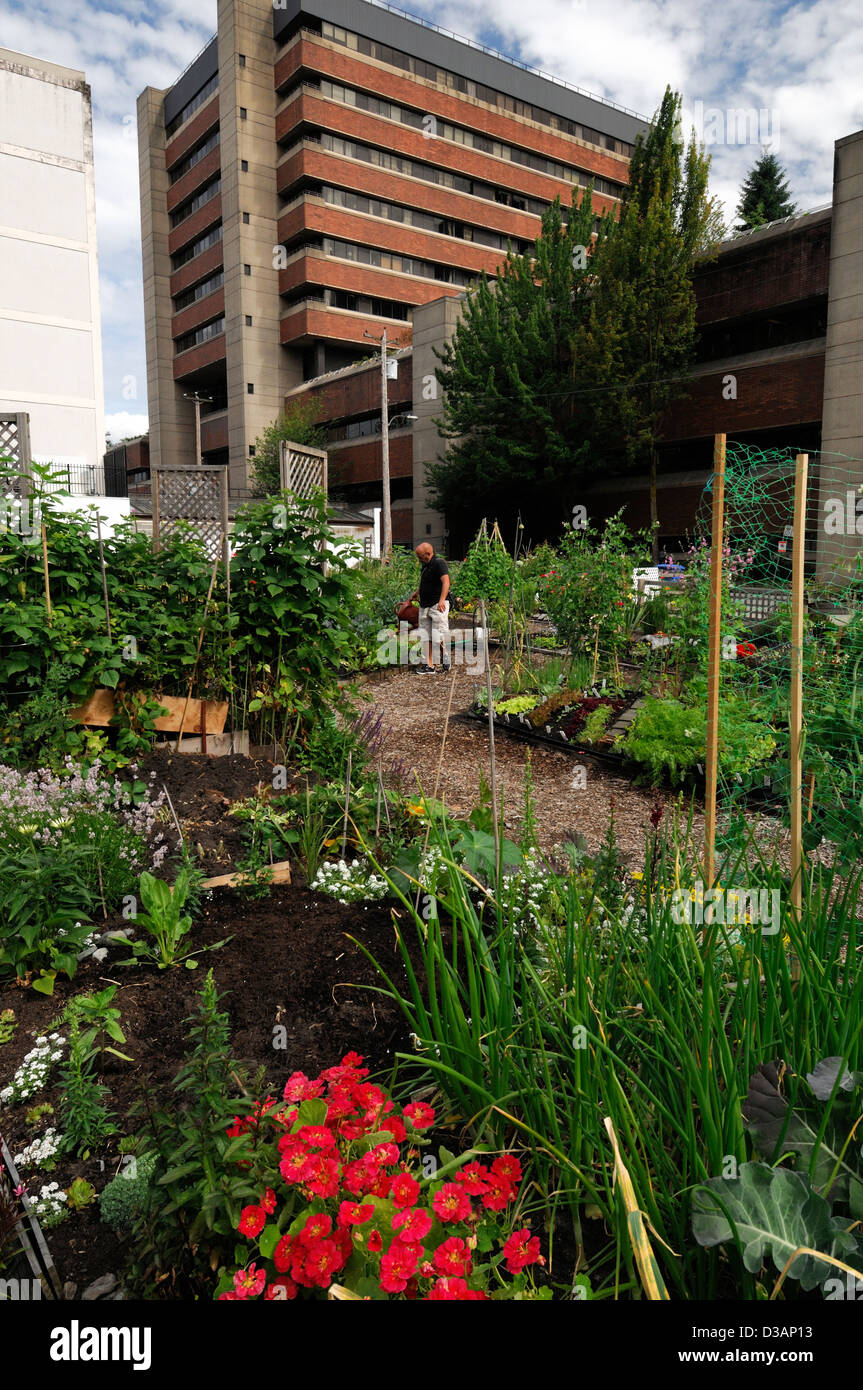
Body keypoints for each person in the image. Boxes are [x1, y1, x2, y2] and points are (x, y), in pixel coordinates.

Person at [410, 542, 450, 673]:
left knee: (438, 634)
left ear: (428, 554)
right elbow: (425, 582)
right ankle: (430, 665)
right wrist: (417, 593)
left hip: (437, 605)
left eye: (421, 557)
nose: (419, 560)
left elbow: (446, 581)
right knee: (426, 635)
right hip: (424, 605)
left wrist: (442, 600)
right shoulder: (425, 565)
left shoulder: (439, 563)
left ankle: (445, 656)